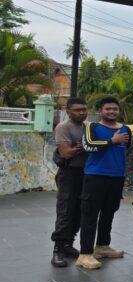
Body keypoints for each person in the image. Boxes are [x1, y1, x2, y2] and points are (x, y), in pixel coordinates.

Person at [76, 96, 132, 270]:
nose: (112, 111)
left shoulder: (125, 129)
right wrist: (111, 141)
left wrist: (115, 144)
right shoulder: (91, 127)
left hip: (116, 177)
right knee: (90, 214)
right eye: (108, 109)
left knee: (109, 213)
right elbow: (88, 146)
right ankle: (85, 254)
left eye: (115, 109)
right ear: (101, 110)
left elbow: (127, 149)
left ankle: (102, 246)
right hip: (95, 176)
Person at [50, 97, 89, 267]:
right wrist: (85, 145)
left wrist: (84, 145)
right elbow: (66, 153)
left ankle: (68, 245)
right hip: (69, 174)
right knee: (65, 211)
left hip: (86, 173)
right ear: (68, 111)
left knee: (80, 211)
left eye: (84, 109)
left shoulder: (87, 127)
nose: (82, 112)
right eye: (77, 109)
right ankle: (58, 250)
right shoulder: (63, 127)